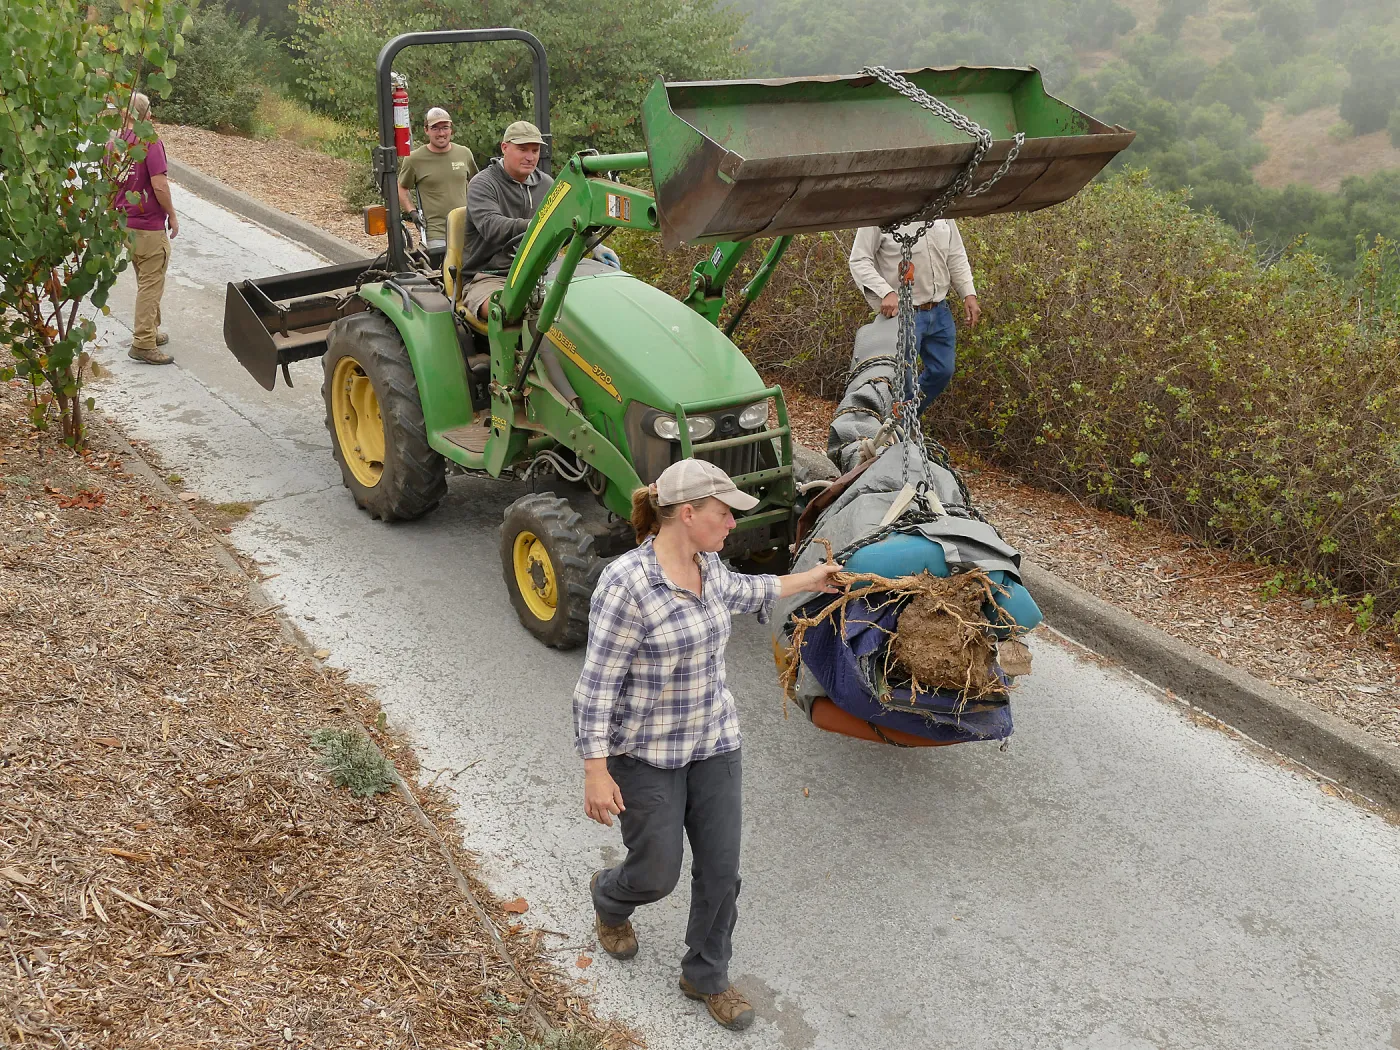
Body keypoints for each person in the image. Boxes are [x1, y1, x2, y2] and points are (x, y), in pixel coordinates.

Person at [573, 458, 842, 1032]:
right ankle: (611, 898)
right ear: (688, 514)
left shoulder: (709, 564)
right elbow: (597, 686)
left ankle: (706, 974)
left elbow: (750, 591)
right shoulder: (627, 586)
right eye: (724, 515)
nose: (731, 526)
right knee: (656, 873)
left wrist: (812, 581)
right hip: (644, 752)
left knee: (721, 870)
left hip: (715, 740)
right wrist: (596, 768)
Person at [848, 218, 981, 415]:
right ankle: (897, 431)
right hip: (902, 316)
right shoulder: (881, 212)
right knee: (903, 382)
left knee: (942, 371)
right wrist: (885, 291)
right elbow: (859, 260)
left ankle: (904, 420)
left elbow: (956, 255)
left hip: (939, 311)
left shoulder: (942, 211)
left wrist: (968, 293)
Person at [459, 120, 553, 320]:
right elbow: (492, 226)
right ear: (505, 147)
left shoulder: (547, 184)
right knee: (516, 311)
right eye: (522, 149)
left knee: (578, 306)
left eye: (535, 151)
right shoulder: (483, 184)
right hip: (489, 276)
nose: (530, 157)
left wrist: (595, 246)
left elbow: (569, 218)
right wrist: (535, 226)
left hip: (536, 273)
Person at [117, 92, 178, 366]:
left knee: (145, 278)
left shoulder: (115, 144)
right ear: (146, 115)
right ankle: (143, 342)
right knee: (151, 284)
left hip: (125, 224)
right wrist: (172, 217)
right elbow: (160, 185)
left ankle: (151, 330)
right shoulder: (150, 142)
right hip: (148, 226)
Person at [397, 106, 477, 250]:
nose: (441, 133)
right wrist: (412, 212)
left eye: (445, 127)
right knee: (441, 270)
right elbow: (402, 187)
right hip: (435, 233)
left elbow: (477, 182)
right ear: (426, 130)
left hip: (467, 229)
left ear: (451, 129)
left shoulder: (464, 153)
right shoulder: (414, 159)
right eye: (435, 128)